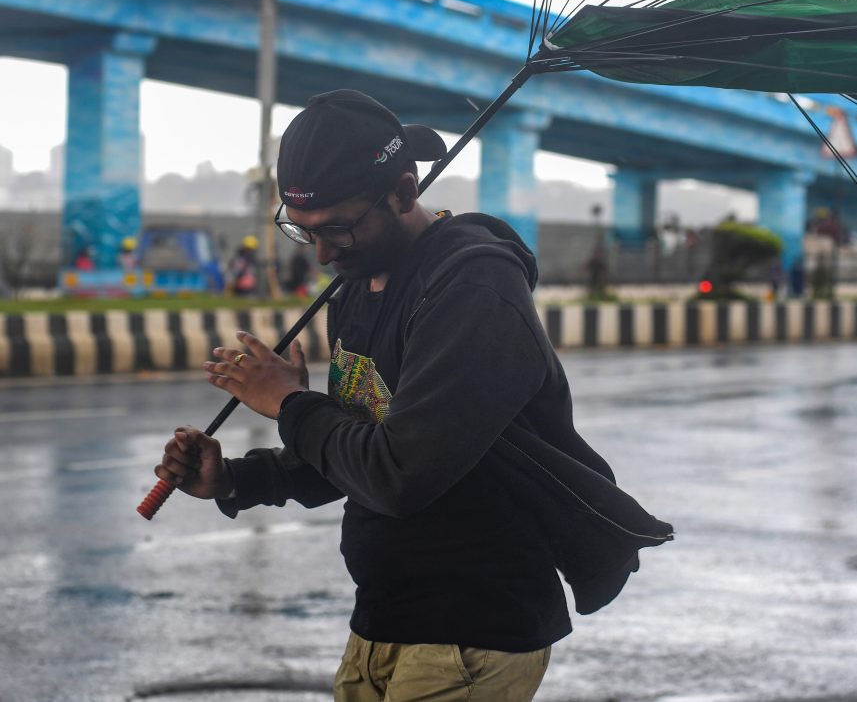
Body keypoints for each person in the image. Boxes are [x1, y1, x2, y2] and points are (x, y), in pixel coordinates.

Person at [154, 90, 672, 702]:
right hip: (383, 618)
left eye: (339, 229)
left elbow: (400, 473)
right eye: (303, 231)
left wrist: (291, 404)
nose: (322, 254)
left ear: (403, 192)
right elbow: (356, 452)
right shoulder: (354, 288)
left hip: (473, 632)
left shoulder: (474, 290)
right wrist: (238, 480)